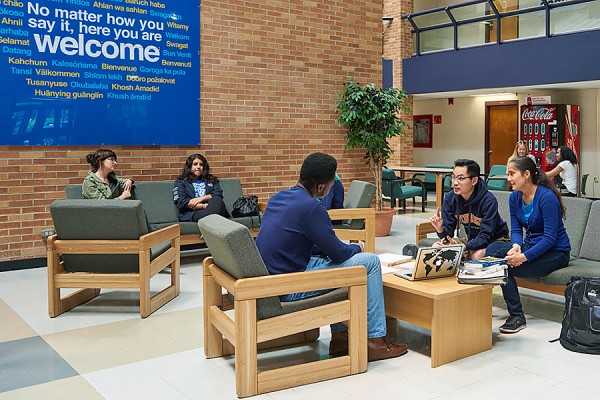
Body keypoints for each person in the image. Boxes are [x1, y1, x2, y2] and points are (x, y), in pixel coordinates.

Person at [256, 152, 407, 362]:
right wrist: (357, 248)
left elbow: (308, 243)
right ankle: (374, 341)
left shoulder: (278, 198)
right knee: (370, 262)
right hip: (289, 287)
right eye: (331, 183)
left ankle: (340, 338)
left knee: (340, 264)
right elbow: (338, 252)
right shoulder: (312, 206)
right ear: (320, 187)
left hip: (273, 280)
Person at [486, 157, 570, 334]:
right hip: (530, 246)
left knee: (504, 267)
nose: (508, 178)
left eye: (512, 173)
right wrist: (516, 247)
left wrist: (522, 257)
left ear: (526, 174)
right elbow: (516, 229)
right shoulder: (515, 197)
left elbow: (550, 239)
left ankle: (517, 316)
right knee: (493, 250)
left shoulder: (547, 198)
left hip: (556, 252)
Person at [429, 159, 509, 260]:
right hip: (472, 239)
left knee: (477, 255)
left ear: (474, 180)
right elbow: (447, 235)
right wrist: (440, 229)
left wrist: (463, 247)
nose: (455, 183)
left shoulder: (488, 200)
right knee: (437, 247)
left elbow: (485, 236)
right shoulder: (450, 198)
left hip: (496, 240)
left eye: (461, 178)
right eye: (453, 177)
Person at [173, 154, 229, 222]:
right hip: (194, 213)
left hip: (214, 207)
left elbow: (218, 194)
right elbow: (181, 202)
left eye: (201, 165)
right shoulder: (181, 181)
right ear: (190, 166)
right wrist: (202, 206)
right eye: (195, 164)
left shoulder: (211, 180)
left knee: (217, 199)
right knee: (212, 215)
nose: (198, 167)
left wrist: (200, 199)